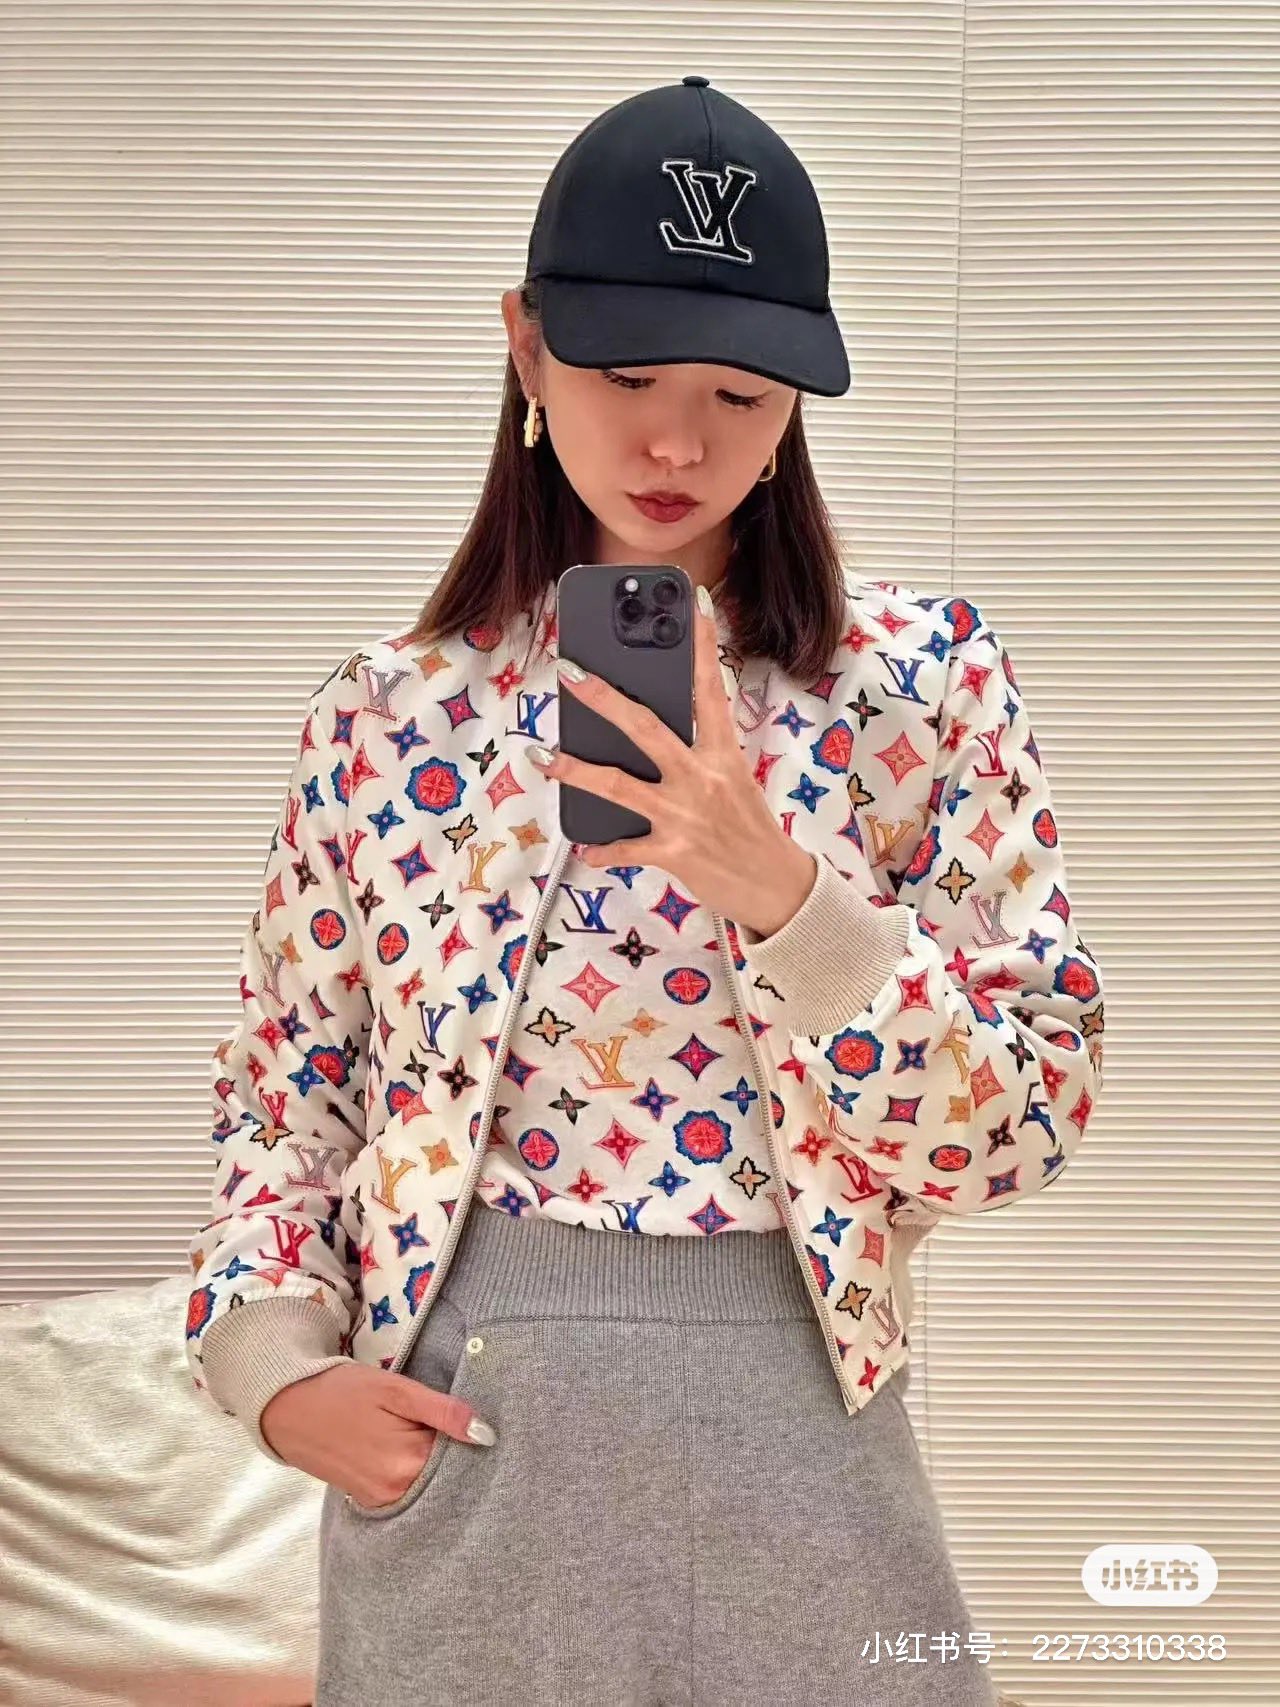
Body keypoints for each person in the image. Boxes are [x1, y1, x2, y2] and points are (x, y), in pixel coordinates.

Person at [184, 76, 1105, 1707]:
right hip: (465, 1453)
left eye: (740, 393)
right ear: (526, 345)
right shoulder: (387, 717)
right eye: (626, 376)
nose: (680, 442)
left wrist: (788, 897)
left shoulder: (924, 690)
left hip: (808, 1440)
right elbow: (288, 1095)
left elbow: (1017, 1126)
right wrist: (270, 1368)